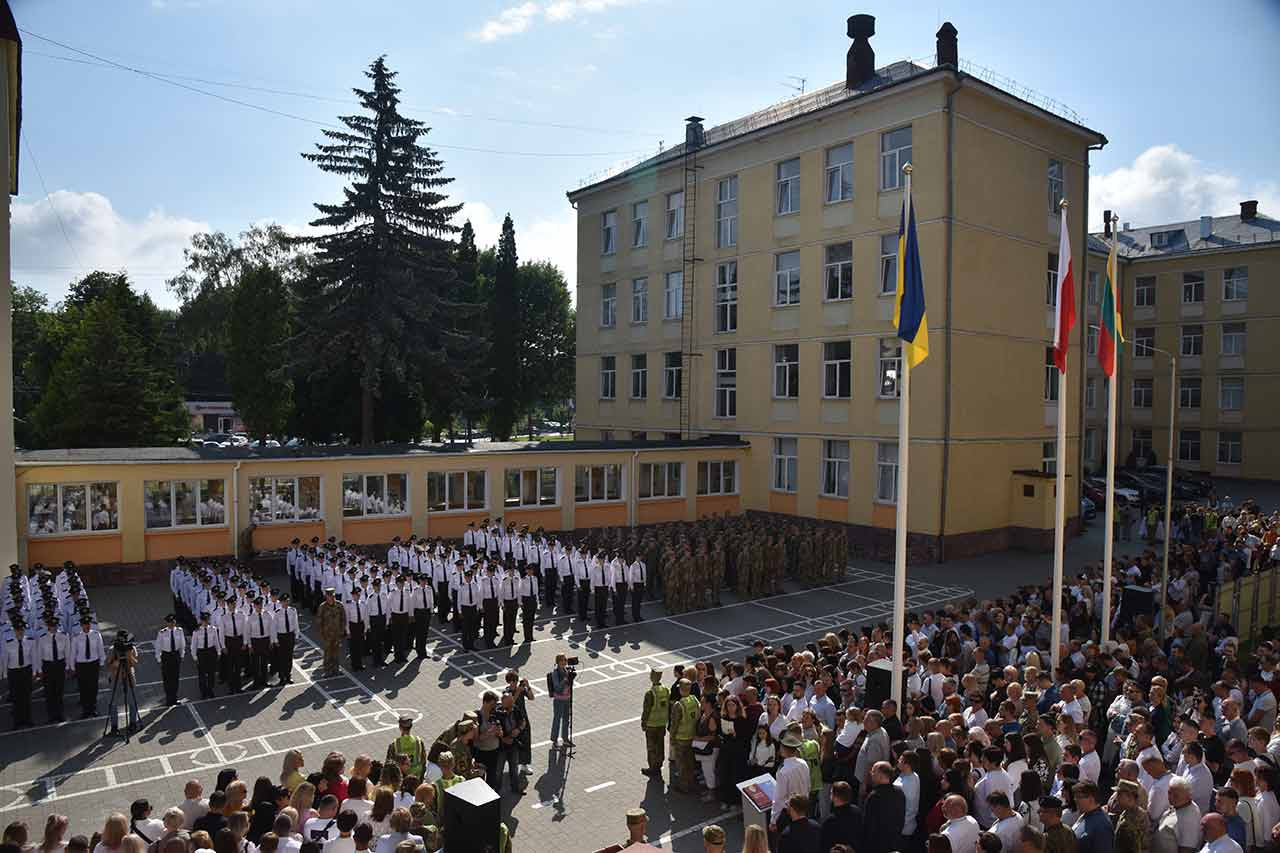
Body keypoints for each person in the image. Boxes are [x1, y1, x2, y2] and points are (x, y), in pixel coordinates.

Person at [861, 761, 906, 853]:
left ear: (881, 775)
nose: (871, 773)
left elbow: (868, 824)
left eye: (873, 771)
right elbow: (901, 818)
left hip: (877, 844)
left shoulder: (874, 796)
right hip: (894, 841)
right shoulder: (899, 793)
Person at [37, 613, 70, 724]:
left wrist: (68, 666)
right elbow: (39, 655)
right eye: (51, 626)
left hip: (59, 665)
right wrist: (39, 670)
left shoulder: (64, 636)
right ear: (48, 626)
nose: (53, 628)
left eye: (55, 626)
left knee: (59, 691)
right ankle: (51, 715)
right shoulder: (42, 638)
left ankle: (60, 714)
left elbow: (67, 653)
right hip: (48, 666)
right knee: (49, 692)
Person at [3, 619, 36, 728]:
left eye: (21, 630)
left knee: (26, 696)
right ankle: (18, 721)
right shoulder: (8, 643)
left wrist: (34, 671)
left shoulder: (29, 641)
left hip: (26, 671)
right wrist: (4, 674)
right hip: (14, 672)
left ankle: (28, 719)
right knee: (16, 698)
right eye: (18, 630)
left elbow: (33, 657)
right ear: (14, 630)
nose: (20, 632)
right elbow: (5, 659)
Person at [670, 678, 700, 794]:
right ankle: (691, 783)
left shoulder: (679, 705)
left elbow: (674, 724)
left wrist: (672, 738)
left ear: (681, 690)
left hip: (681, 738)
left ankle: (684, 786)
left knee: (681, 764)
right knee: (690, 762)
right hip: (692, 736)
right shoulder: (694, 700)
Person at [72, 615, 105, 718]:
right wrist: (72, 667)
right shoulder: (76, 637)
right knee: (84, 687)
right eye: (85, 624)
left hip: (93, 663)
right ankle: (85, 710)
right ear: (81, 625)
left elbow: (100, 649)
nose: (87, 626)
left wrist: (101, 663)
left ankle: (93, 708)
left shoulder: (96, 635)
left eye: (88, 624)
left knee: (93, 687)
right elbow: (73, 653)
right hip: (81, 665)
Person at [641, 668, 670, 779]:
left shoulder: (650, 693)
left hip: (652, 724)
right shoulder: (666, 690)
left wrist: (643, 723)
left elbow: (646, 710)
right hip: (662, 723)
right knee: (660, 745)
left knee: (652, 747)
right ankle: (659, 765)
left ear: (652, 677)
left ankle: (653, 768)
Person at [1071, 782, 1113, 853]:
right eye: (1075, 797)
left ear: (1091, 799)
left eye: (1078, 797)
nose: (1075, 800)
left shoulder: (1102, 826)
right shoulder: (1085, 815)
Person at [821, 781, 863, 852]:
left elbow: (824, 845)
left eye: (831, 793)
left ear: (835, 797)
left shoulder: (830, 821)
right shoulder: (857, 811)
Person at [190, 611, 223, 700]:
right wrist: (194, 657)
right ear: (201, 621)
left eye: (206, 620)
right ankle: (203, 692)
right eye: (203, 620)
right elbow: (193, 645)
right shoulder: (196, 631)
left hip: (211, 651)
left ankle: (210, 690)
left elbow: (216, 641)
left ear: (208, 620)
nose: (205, 622)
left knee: (211, 673)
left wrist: (219, 652)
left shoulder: (213, 629)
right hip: (201, 653)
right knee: (202, 674)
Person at [316, 590, 345, 678]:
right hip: (327, 634)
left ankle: (336, 669)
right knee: (328, 653)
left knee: (336, 652)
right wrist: (321, 633)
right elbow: (319, 621)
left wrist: (342, 631)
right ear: (326, 597)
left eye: (332, 596)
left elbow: (343, 619)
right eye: (329, 596)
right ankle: (327, 670)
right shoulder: (322, 607)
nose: (331, 598)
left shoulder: (339, 605)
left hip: (337, 633)